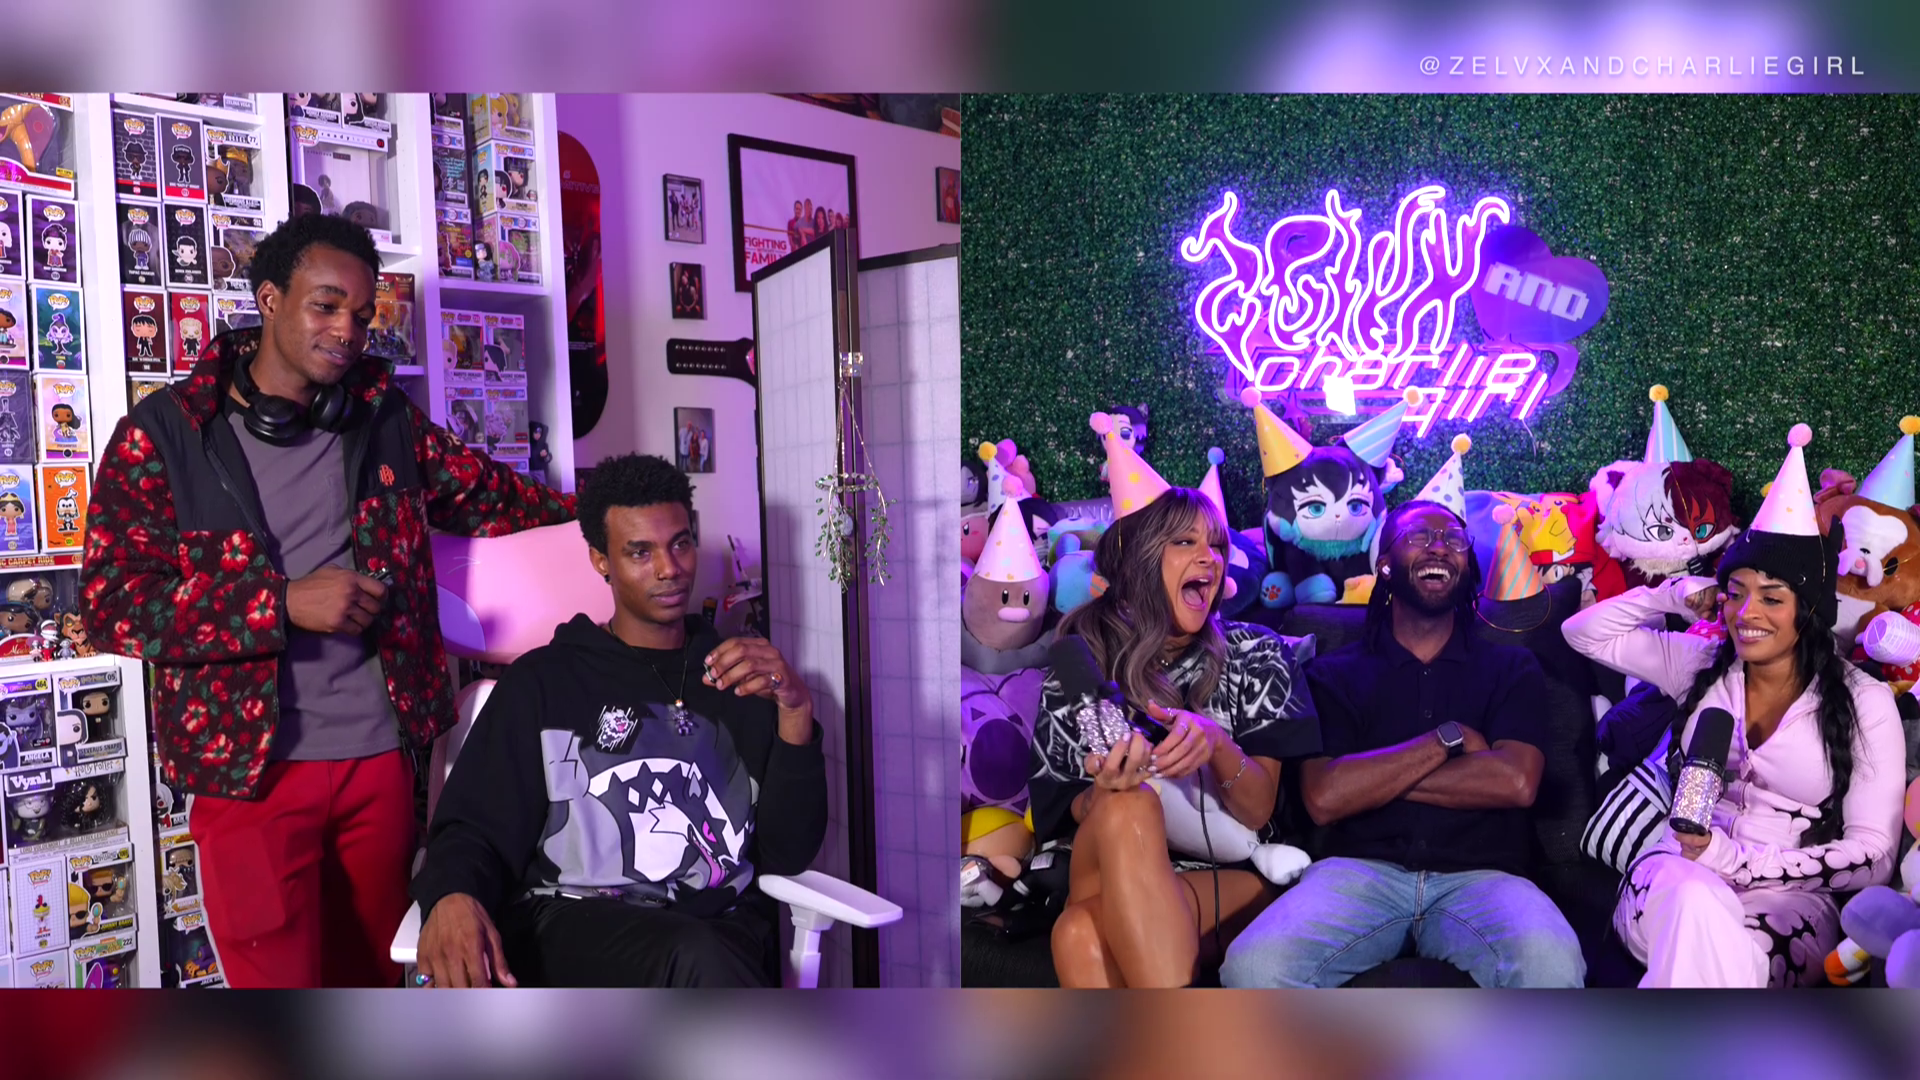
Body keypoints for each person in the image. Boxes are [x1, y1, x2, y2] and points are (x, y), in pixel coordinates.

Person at [80, 213, 576, 988]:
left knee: (375, 981)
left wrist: (620, 516)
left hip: (382, 762)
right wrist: (278, 604)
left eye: (363, 314)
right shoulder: (165, 434)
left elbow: (491, 496)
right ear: (269, 299)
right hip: (249, 775)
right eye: (326, 305)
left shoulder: (383, 419)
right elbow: (112, 603)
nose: (348, 330)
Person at [410, 454, 826, 987]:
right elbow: (472, 829)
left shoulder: (738, 676)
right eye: (640, 552)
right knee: (696, 955)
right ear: (601, 560)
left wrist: (795, 710)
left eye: (680, 543)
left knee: (707, 953)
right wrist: (452, 895)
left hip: (717, 931)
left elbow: (787, 852)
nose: (669, 569)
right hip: (575, 927)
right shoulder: (543, 682)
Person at [1561, 427, 1905, 987]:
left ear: (1808, 609)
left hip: (1788, 900)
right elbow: (1582, 633)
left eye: (1771, 597)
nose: (1747, 613)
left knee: (1720, 949)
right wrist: (1672, 593)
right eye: (1736, 592)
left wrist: (1740, 861)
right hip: (1674, 875)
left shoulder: (1864, 701)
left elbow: (1874, 857)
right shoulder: (1699, 663)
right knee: (1696, 905)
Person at [1221, 500, 1585, 988]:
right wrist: (1448, 739)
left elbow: (1517, 782)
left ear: (1468, 564)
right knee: (1253, 966)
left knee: (1552, 963)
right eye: (1419, 536)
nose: (1439, 547)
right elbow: (1324, 798)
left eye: (1453, 539)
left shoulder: (1511, 668)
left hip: (1483, 878)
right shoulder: (1334, 675)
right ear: (1385, 565)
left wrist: (1367, 781)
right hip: (1357, 875)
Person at [1029, 488, 1321, 987]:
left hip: (1233, 873)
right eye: (1185, 541)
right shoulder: (1080, 666)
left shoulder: (1258, 654)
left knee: (1079, 934)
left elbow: (1258, 811)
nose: (1210, 557)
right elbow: (1061, 813)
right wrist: (1106, 788)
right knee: (1127, 804)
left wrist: (1217, 745)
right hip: (1106, 861)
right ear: (1141, 561)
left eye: (1217, 545)